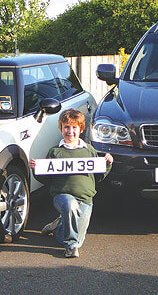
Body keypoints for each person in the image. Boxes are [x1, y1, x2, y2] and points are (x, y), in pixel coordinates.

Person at [29, 109, 113, 258]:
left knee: (74, 238)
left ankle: (59, 226)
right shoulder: (55, 152)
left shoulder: (89, 151)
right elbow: (46, 179)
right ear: (61, 129)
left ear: (81, 129)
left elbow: (98, 177)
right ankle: (71, 247)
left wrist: (107, 164)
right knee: (70, 207)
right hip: (63, 197)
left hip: (86, 200)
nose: (70, 131)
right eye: (66, 127)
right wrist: (37, 169)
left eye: (74, 127)